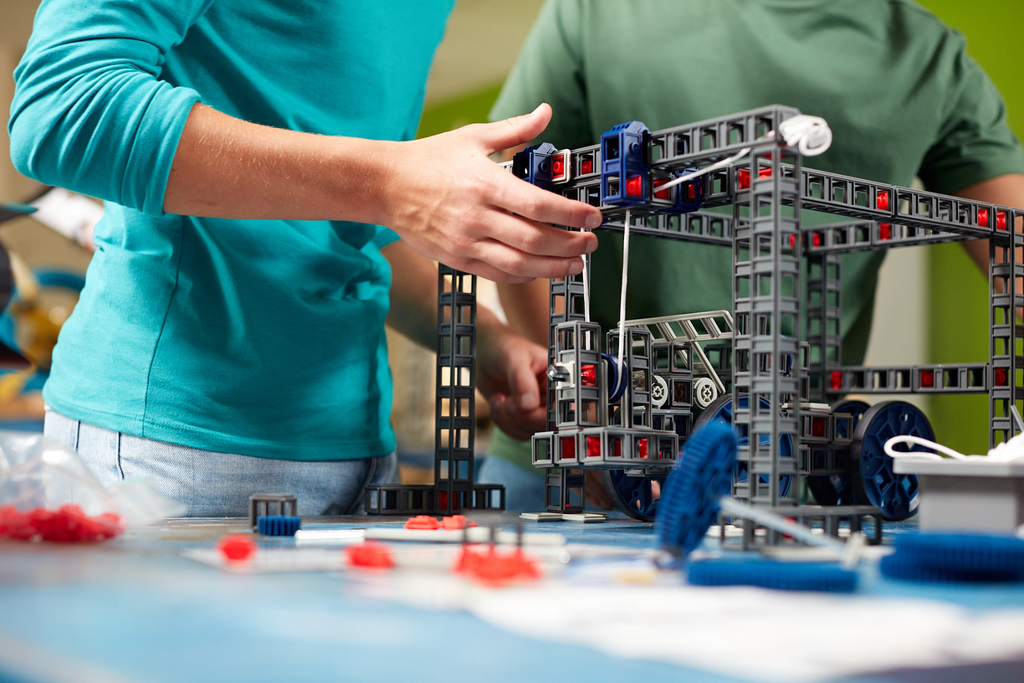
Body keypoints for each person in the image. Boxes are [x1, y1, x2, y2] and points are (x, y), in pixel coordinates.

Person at [8, 0, 604, 516]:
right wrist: (391, 184)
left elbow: (344, 225)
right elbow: (61, 108)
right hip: (172, 451)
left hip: (359, 456)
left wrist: (487, 344)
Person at [479, 0, 1024, 511]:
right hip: (582, 474)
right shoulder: (598, 12)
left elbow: (1012, 245)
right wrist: (582, 412)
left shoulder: (931, 58)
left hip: (795, 484)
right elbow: (520, 204)